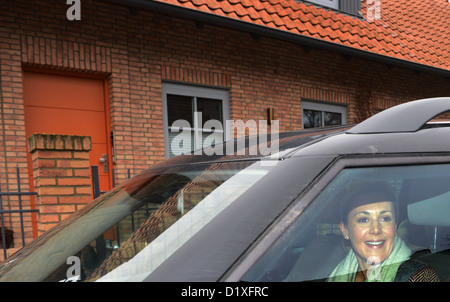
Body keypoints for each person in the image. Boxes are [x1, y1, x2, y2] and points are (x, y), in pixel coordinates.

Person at [327, 182, 439, 282]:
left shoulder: (419, 278)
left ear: (395, 226)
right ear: (345, 230)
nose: (376, 229)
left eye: (385, 218)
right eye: (363, 220)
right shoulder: (339, 273)